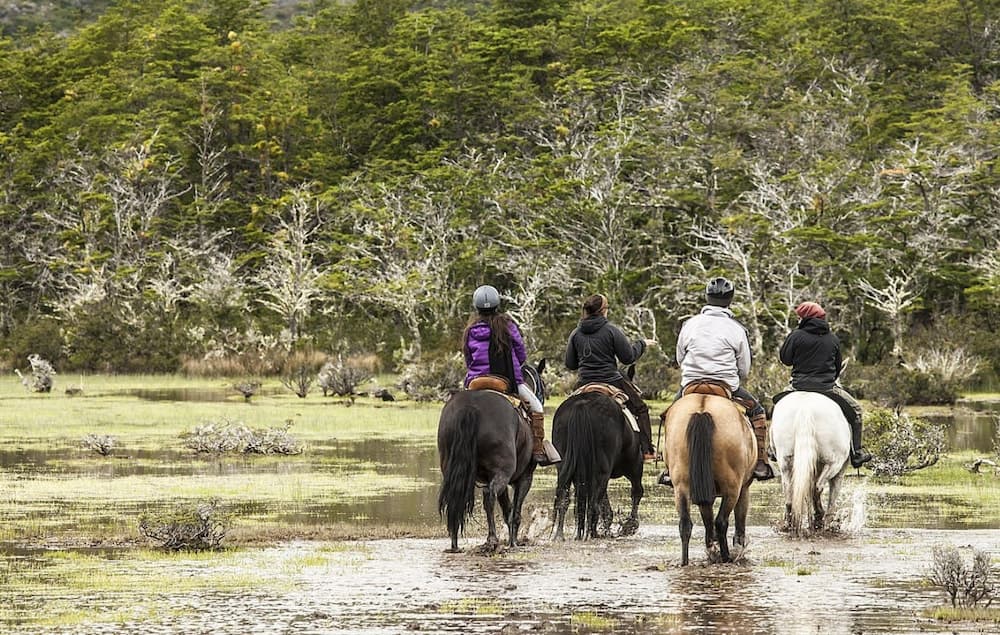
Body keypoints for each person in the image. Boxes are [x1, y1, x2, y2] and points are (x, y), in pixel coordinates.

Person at [661, 277, 774, 485]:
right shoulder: (737, 329)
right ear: (730, 300)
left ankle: (669, 467)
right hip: (725, 386)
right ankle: (760, 462)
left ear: (707, 297)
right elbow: (744, 368)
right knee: (757, 412)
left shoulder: (689, 324)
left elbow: (679, 358)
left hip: (691, 385)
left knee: (669, 415)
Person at [463, 284, 560, 466]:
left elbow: (468, 359)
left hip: (477, 381)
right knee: (537, 407)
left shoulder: (470, 330)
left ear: (476, 307)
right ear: (497, 305)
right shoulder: (508, 325)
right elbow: (521, 354)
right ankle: (538, 450)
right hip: (506, 380)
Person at [564, 293, 658, 461]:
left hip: (584, 381)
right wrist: (641, 344)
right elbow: (628, 357)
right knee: (641, 409)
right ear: (603, 311)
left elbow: (570, 364)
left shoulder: (575, 333)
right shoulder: (611, 330)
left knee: (567, 410)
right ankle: (647, 450)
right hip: (611, 379)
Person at [779, 301, 873, 468]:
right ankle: (857, 453)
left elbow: (785, 359)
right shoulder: (833, 338)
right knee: (856, 411)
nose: (798, 319)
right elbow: (837, 367)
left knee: (777, 406)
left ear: (805, 318)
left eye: (799, 317)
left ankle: (773, 449)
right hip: (827, 387)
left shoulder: (796, 335)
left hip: (798, 385)